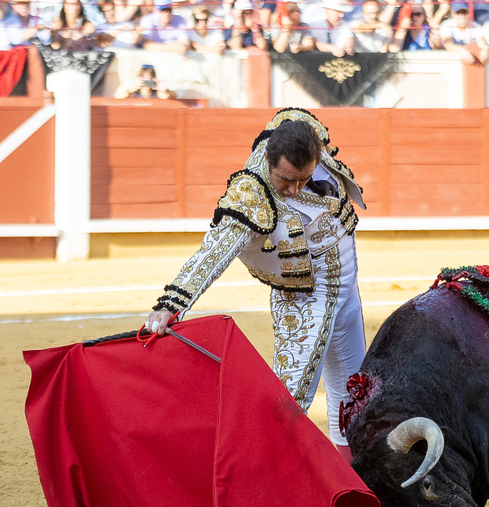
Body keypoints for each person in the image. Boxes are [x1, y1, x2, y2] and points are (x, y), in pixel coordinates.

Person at [145, 110, 368, 459]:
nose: (295, 188)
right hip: (305, 299)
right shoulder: (251, 193)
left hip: (348, 289)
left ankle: (352, 479)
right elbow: (212, 254)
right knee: (288, 402)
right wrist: (170, 304)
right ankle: (263, 482)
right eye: (286, 180)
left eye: (304, 178)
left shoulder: (305, 133)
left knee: (353, 393)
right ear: (268, 159)